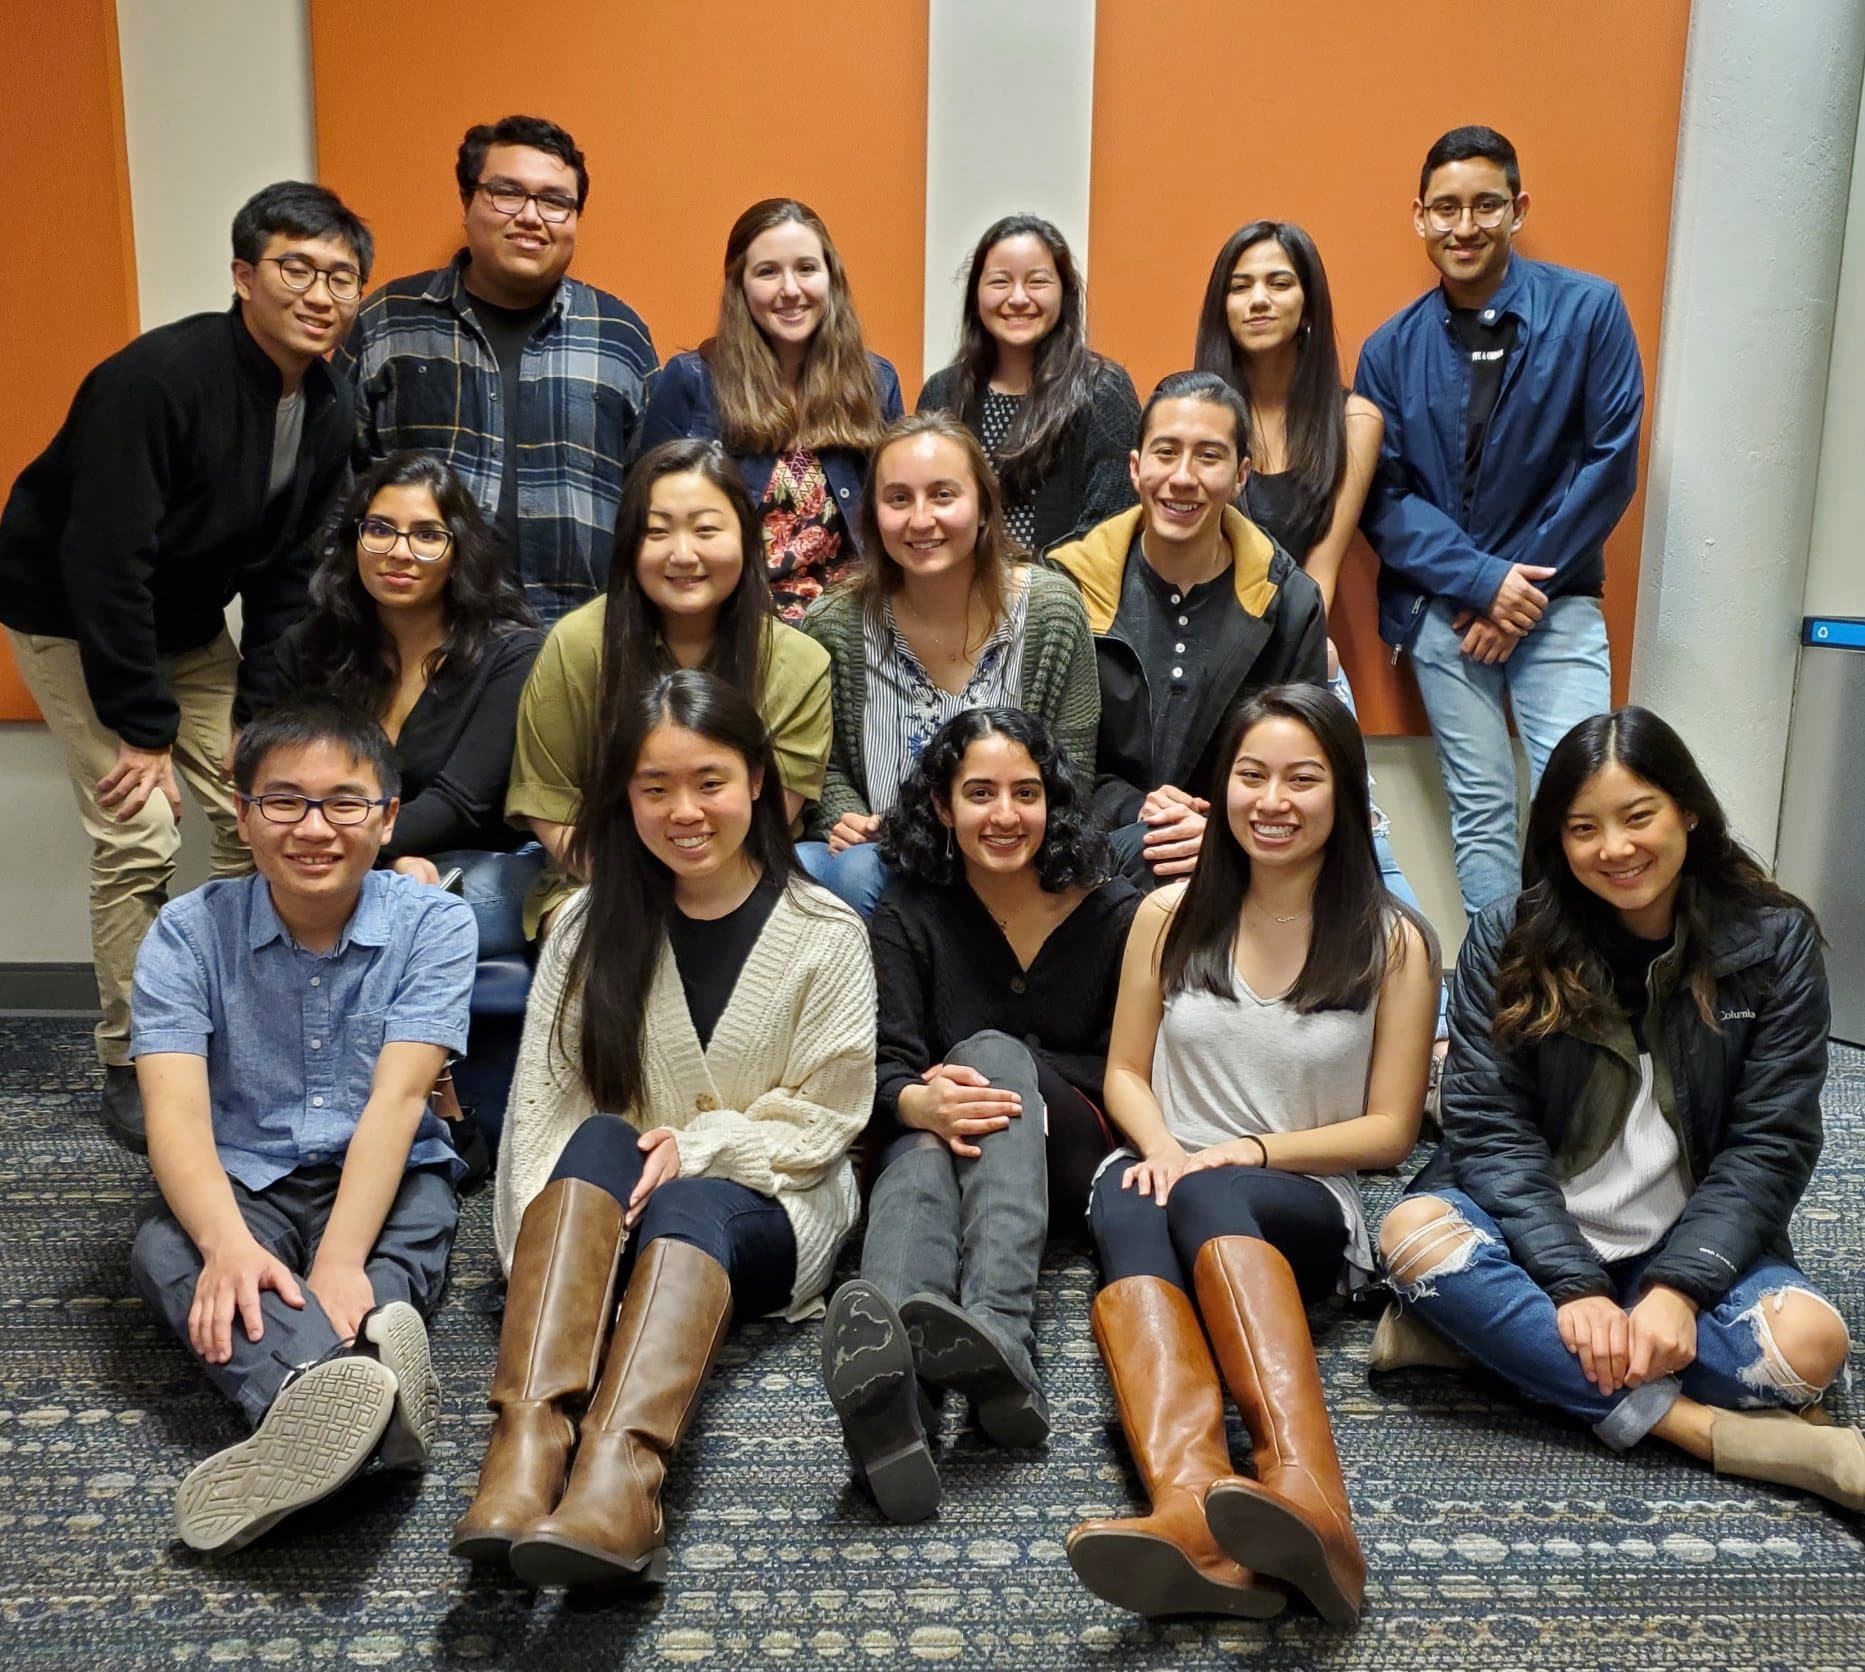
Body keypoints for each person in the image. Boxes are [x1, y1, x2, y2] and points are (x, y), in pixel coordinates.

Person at [1376, 707, 1864, 1515]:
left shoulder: (1772, 943)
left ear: (1687, 811)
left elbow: (1768, 1144)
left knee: (1810, 1348)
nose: (1614, 848)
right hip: (1532, 1235)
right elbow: (1489, 1132)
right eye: (1583, 828)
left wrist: (1678, 1288)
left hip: (1683, 1237)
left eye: (1638, 816)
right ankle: (1704, 1431)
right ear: (1557, 839)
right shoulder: (1507, 937)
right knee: (1411, 1234)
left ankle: (1484, 1341)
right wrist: (1571, 1288)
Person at [454, 669, 875, 1587]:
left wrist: (700, 1147)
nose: (684, 811)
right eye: (655, 788)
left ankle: (622, 1476)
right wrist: (558, 1262)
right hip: (616, 1220)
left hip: (770, 1205)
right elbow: (541, 1120)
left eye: (708, 782)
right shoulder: (584, 925)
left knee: (690, 1197)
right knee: (597, 1138)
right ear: (626, 797)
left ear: (756, 779)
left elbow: (827, 1120)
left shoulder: (825, 930)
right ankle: (526, 1445)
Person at [0, 181, 372, 1150]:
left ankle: (235, 1029)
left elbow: (291, 574)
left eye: (340, 276)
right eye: (296, 268)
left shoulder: (330, 402)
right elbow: (103, 559)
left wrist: (257, 713)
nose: (320, 293)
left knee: (263, 809)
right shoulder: (156, 380)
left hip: (189, 625)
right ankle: (134, 1058)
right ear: (244, 276)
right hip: (75, 618)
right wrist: (143, 729)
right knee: (138, 831)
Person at [1068, 684, 1436, 1625]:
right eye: (1250, 776)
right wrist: (1163, 1146)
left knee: (1203, 1195)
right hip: (1168, 1169)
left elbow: (1389, 1129)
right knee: (1128, 1199)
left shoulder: (1394, 941)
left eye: (1301, 779)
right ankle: (1189, 1511)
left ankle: (1315, 1503)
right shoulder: (1167, 914)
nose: (1272, 801)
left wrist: (1246, 1150)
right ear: (1221, 787)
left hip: (1300, 1198)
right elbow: (1124, 1072)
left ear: (1343, 792)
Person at [126, 699, 476, 1553]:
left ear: (386, 818)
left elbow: (398, 1102)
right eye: (284, 801)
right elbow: (174, 1114)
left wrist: (341, 1261)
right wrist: (225, 1245)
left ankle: (314, 1390)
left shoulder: (435, 924)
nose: (313, 829)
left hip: (387, 1170)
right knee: (167, 1250)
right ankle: (361, 1394)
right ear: (243, 814)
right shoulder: (186, 933)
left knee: (405, 1239)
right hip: (246, 1174)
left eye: (344, 804)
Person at [821, 708, 1139, 1521]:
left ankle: (998, 1328)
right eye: (980, 793)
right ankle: (899, 1403)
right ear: (941, 804)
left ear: (1051, 800)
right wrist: (918, 1101)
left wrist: (1005, 1071)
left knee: (989, 1055)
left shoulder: (1114, 910)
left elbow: (1131, 1066)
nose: (1005, 815)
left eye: (1025, 793)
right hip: (943, 1141)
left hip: (1072, 1149)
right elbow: (884, 1063)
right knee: (920, 1147)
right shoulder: (908, 909)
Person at [1355, 124, 1644, 919]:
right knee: (1480, 811)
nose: (1465, 225)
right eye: (1445, 208)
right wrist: (1483, 584)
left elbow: (1609, 462)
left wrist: (1516, 595)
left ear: (1518, 209)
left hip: (1557, 600)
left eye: (1485, 205)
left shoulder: (1589, 312)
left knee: (1584, 799)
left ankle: (1577, 977)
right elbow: (1383, 499)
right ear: (1419, 216)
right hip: (1443, 613)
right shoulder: (1387, 350)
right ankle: (1502, 981)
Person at [505, 439, 832, 938]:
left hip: (744, 876)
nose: (682, 554)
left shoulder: (798, 664)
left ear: (747, 539)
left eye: (706, 530)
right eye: (657, 532)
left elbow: (766, 820)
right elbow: (551, 807)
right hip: (598, 880)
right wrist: (637, 895)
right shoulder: (577, 645)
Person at [339, 115, 658, 623]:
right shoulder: (389, 322)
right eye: (507, 193)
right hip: (421, 638)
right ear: (467, 202)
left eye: (554, 201)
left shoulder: (619, 336)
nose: (531, 216)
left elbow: (654, 507)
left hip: (578, 641)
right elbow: (337, 486)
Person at [798, 412, 1099, 916]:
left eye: (943, 495)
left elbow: (1074, 770)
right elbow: (824, 766)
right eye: (898, 499)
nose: (920, 520)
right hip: (884, 864)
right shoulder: (834, 622)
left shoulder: (1052, 612)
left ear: (982, 507)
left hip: (1012, 854)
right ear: (873, 515)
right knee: (820, 867)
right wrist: (846, 817)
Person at [1048, 372, 1327, 891]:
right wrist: (1137, 808)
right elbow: (1045, 757)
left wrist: (1223, 834)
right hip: (1092, 856)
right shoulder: (1067, 590)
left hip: (1241, 857)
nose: (1182, 477)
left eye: (1208, 456)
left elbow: (1302, 771)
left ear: (1241, 475)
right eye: (1166, 452)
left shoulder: (1288, 602)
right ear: (1136, 468)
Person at [271, 451, 543, 956]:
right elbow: (290, 788)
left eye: (427, 535)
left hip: (476, 860)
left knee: (407, 905)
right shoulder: (307, 649)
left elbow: (461, 804)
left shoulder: (511, 654)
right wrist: (381, 861)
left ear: (458, 551)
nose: (399, 552)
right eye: (380, 529)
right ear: (354, 539)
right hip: (340, 854)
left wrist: (357, 851)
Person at [640, 198, 904, 622]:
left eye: (806, 268)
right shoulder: (692, 381)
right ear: (739, 286)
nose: (790, 289)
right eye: (767, 272)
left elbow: (895, 515)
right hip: (731, 624)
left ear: (831, 278)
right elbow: (647, 523)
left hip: (850, 626)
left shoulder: (876, 383)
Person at [917, 214, 1138, 553]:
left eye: (1037, 282)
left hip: (1068, 585)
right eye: (1000, 282)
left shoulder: (1103, 390)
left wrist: (1031, 581)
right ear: (976, 294)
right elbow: (925, 510)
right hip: (958, 583)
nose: (1018, 297)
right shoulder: (942, 392)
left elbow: (1109, 529)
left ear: (1064, 292)